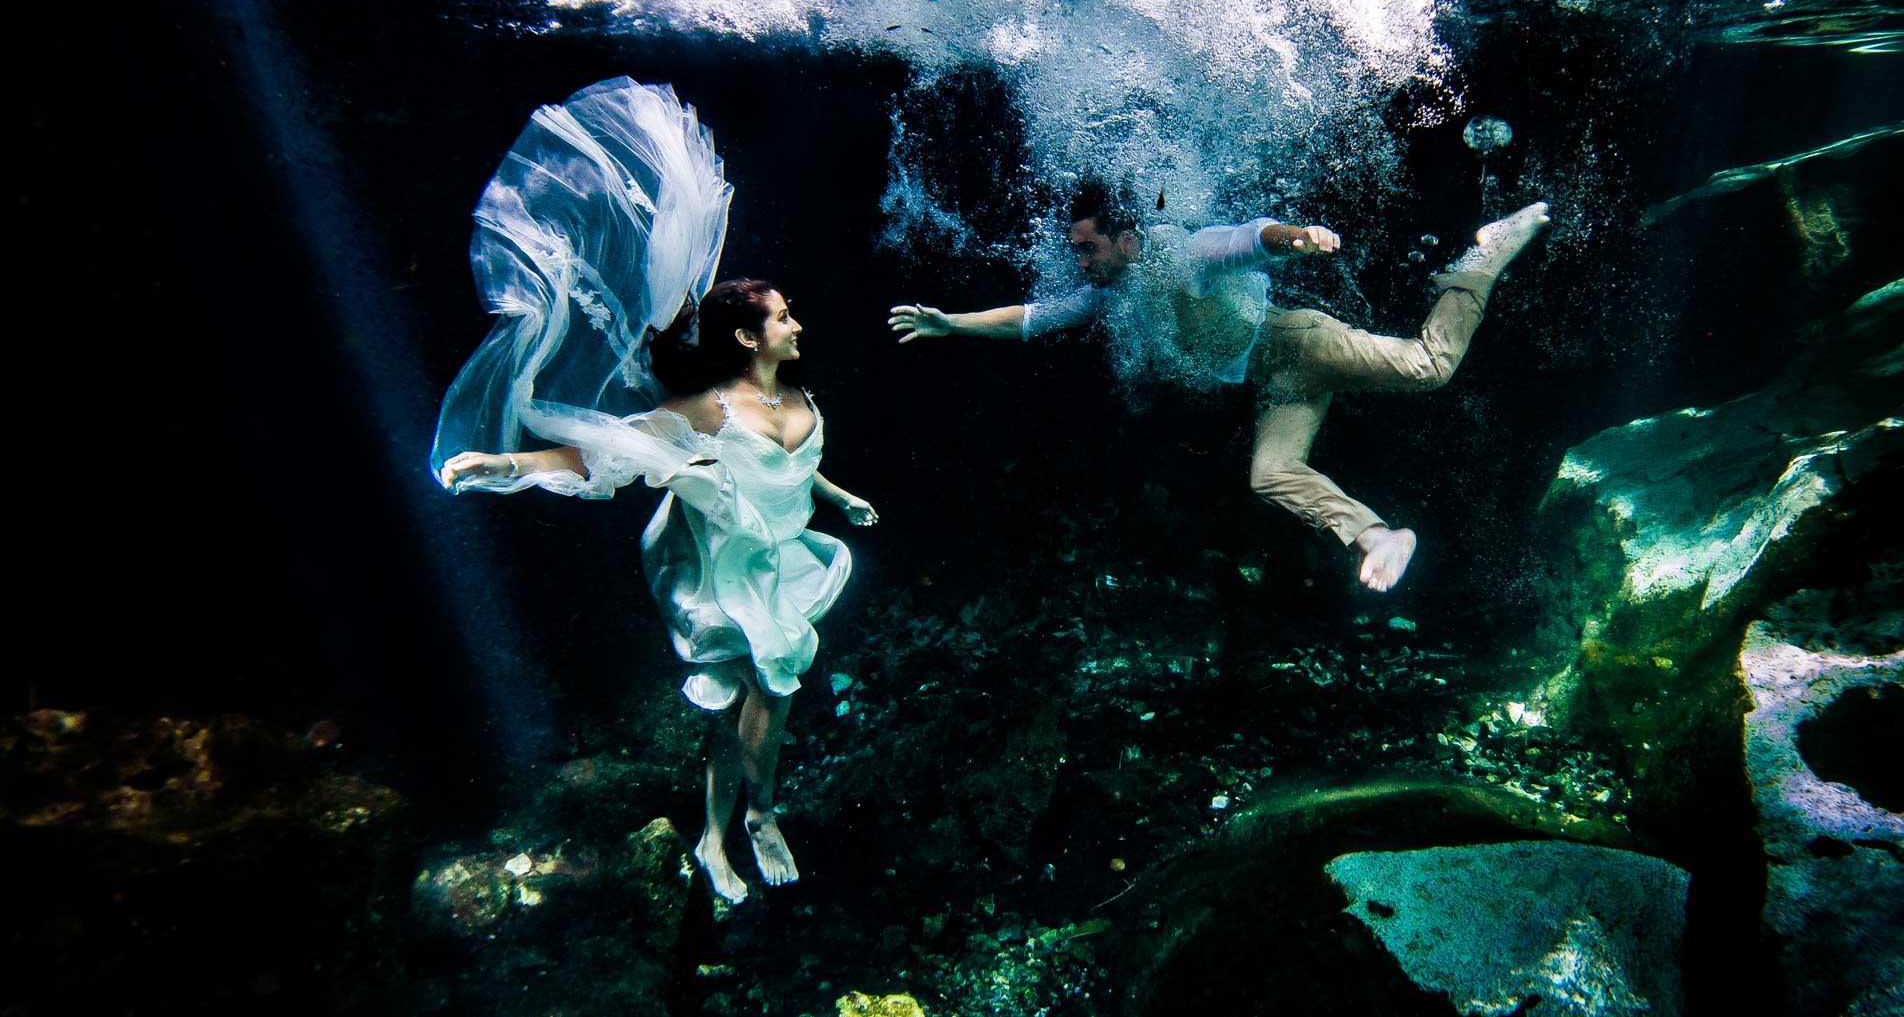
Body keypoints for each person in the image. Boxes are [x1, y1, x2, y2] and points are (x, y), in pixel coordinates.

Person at [431, 79, 876, 903]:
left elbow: (789, 469)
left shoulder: (800, 399)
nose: (798, 324)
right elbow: (611, 455)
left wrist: (839, 496)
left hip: (777, 554)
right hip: (711, 560)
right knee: (758, 690)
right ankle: (741, 823)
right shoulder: (709, 406)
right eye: (783, 317)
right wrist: (508, 465)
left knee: (754, 697)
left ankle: (734, 826)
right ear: (748, 336)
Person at [887, 182, 1547, 592]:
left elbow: (1246, 240)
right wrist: (951, 324)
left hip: (1297, 341)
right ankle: (1376, 536)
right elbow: (1033, 318)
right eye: (1077, 253)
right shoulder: (1106, 290)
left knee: (1430, 367)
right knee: (1269, 474)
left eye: (1089, 249)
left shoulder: (1183, 250)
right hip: (1272, 380)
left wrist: (1299, 238)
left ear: (1126, 236)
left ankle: (1482, 258)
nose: (1082, 264)